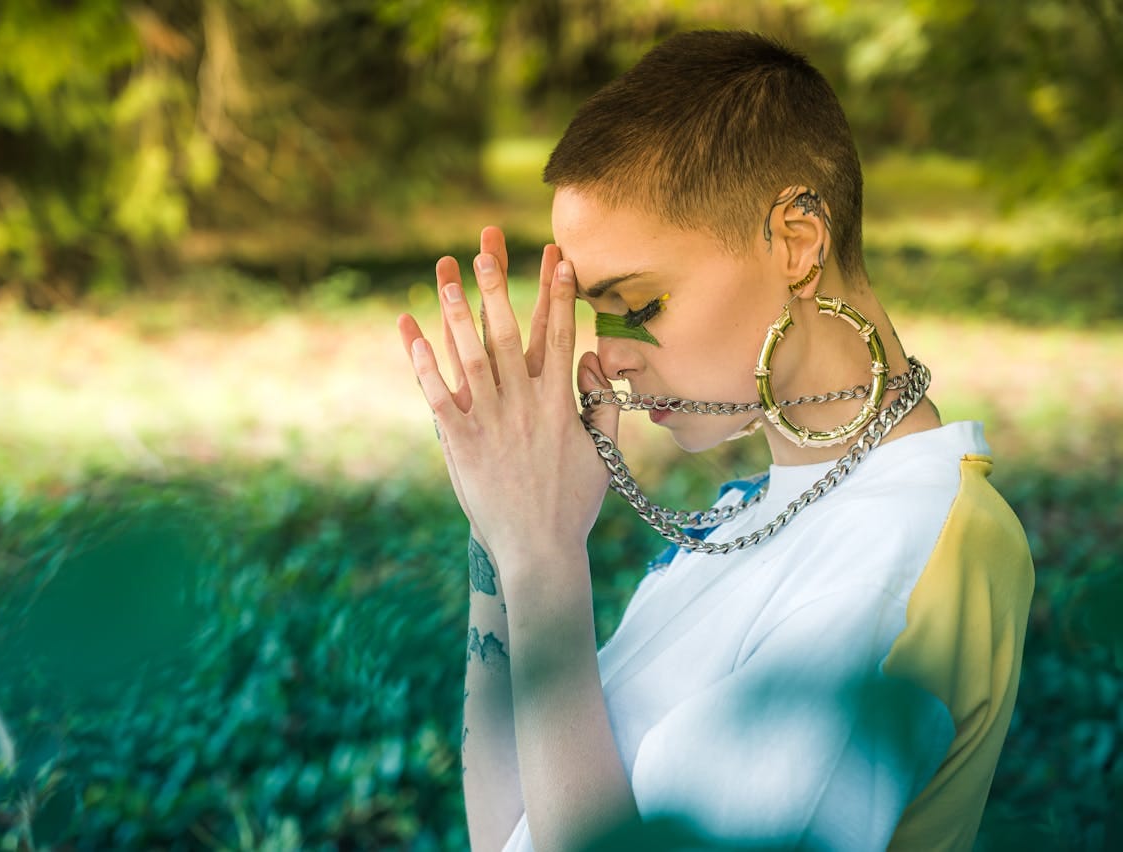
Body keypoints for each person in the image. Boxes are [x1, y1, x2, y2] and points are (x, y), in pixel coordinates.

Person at [395, 30, 1033, 852]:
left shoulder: (897, 561)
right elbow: (509, 832)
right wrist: (505, 532)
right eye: (597, 308)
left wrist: (546, 562)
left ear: (797, 243)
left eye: (640, 301)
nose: (609, 352)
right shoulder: (763, 511)